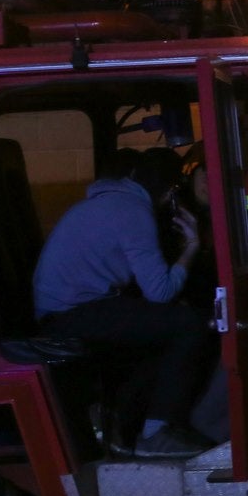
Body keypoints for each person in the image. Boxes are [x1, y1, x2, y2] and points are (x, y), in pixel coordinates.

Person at [32, 147, 215, 460]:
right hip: (71, 314)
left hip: (64, 309)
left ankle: (127, 423)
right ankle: (157, 433)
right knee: (189, 325)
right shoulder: (134, 211)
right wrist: (192, 247)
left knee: (160, 332)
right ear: (169, 191)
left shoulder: (109, 203)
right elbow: (160, 291)